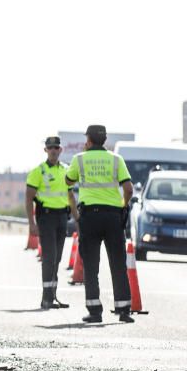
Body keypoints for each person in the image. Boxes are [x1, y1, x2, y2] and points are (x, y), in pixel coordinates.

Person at [65, 124, 135, 323]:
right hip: (113, 217)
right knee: (118, 264)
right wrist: (122, 205)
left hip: (90, 217)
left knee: (91, 264)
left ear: (88, 140)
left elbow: (69, 181)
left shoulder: (79, 159)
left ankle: (95, 311)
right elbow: (128, 189)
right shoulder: (116, 159)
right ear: (104, 140)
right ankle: (123, 310)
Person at [25, 136, 78, 310]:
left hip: (62, 218)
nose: (53, 150)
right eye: (50, 148)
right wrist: (31, 224)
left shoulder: (66, 170)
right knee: (49, 258)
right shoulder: (38, 171)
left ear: (61, 150)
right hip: (46, 218)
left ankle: (52, 296)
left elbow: (70, 195)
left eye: (56, 147)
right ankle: (46, 298)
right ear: (46, 150)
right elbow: (28, 197)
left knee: (57, 259)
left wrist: (77, 217)